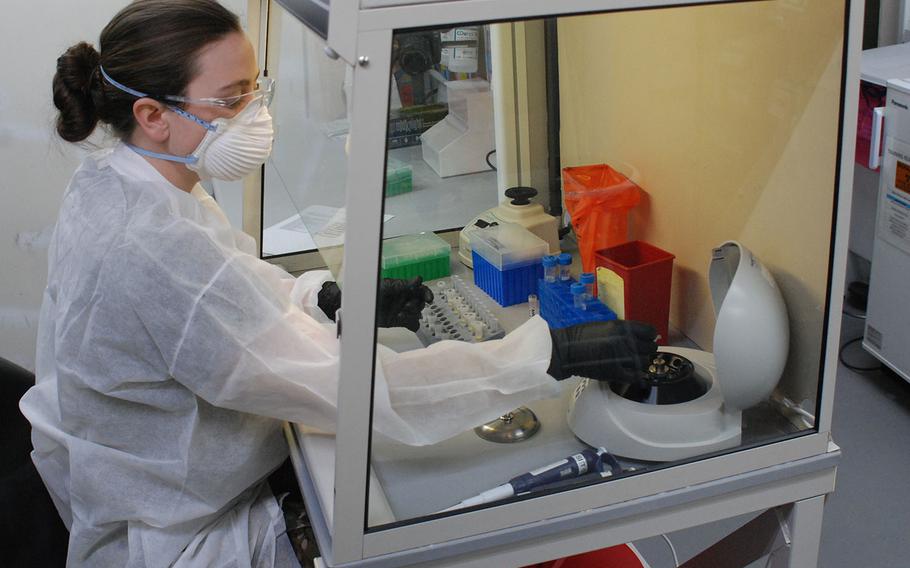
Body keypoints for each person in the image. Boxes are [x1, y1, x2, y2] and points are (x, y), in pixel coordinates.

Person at [19, 1, 657, 566]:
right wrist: (543, 356)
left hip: (145, 487)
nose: (257, 114)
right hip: (183, 537)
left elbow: (230, 281)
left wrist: (322, 296)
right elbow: (362, 394)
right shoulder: (151, 245)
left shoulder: (124, 180)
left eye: (258, 88)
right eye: (233, 98)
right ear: (152, 113)